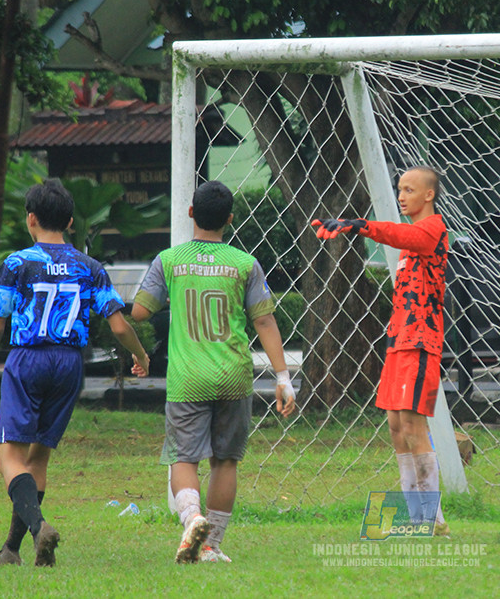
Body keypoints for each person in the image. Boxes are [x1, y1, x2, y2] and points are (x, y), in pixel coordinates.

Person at [0, 179, 150, 567]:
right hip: (70, 364)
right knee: (39, 457)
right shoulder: (89, 267)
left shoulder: (18, 263)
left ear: (31, 219)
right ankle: (13, 549)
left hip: (28, 359)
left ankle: (39, 529)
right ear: (71, 221)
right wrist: (141, 354)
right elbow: (119, 325)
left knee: (9, 456)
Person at [131, 180, 296, 564]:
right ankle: (211, 546)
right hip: (234, 375)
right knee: (225, 460)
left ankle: (192, 519)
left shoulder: (169, 260)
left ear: (191, 213)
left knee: (183, 458)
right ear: (230, 219)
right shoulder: (244, 264)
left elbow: (141, 311)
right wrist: (283, 377)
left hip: (188, 378)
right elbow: (266, 322)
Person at [311, 165, 450, 536]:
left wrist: (360, 225)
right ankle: (413, 508)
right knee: (394, 426)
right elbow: (401, 237)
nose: (401, 195)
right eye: (399, 188)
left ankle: (430, 516)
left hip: (421, 341)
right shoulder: (409, 238)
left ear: (428, 195)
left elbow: (400, 233)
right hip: (398, 341)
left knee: (413, 425)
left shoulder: (433, 229)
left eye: (408, 189)